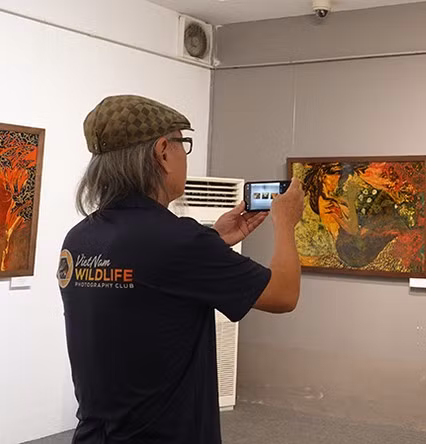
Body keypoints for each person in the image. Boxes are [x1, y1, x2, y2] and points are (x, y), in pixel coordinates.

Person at [58, 95, 305, 444]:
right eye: (182, 144)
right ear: (162, 151)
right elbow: (283, 293)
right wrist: (285, 222)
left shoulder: (79, 239)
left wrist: (214, 240)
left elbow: (148, 287)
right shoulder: (178, 240)